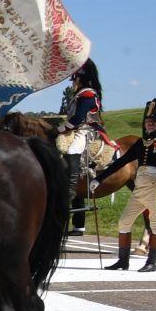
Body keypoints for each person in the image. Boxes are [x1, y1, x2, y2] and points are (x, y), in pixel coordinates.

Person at [94, 99, 156, 271]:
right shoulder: (140, 143)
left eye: (153, 122)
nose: (150, 124)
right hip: (139, 188)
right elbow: (121, 162)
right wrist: (99, 179)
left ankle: (151, 262)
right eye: (148, 122)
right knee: (124, 222)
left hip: (155, 187)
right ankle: (123, 260)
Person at [59, 59, 102, 232]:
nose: (73, 81)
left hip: (85, 131)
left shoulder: (87, 94)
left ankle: (70, 187)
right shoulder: (81, 93)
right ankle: (79, 225)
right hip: (76, 129)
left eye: (74, 78)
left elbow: (77, 118)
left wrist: (60, 129)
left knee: (71, 149)